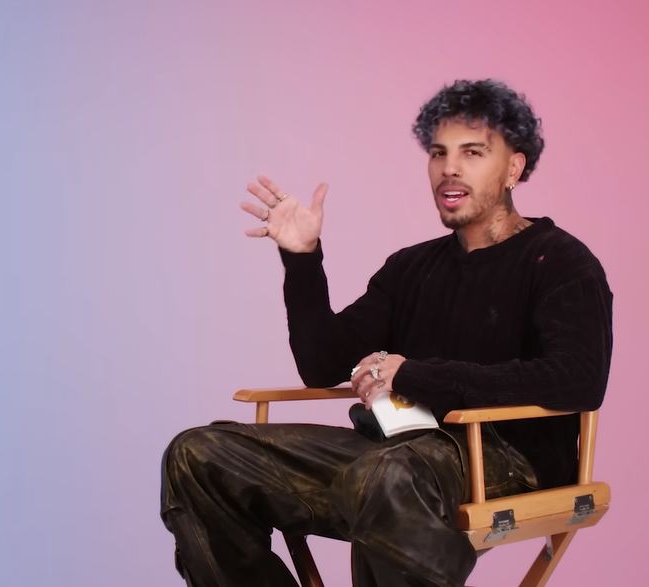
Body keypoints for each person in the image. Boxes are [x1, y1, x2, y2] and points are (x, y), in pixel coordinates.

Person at [160, 79, 613, 586]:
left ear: (514, 168)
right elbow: (322, 364)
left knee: (389, 476)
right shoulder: (411, 268)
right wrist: (302, 258)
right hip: (395, 452)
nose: (449, 168)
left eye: (472, 152)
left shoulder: (561, 262)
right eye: (438, 153)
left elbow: (577, 379)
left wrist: (414, 375)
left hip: (507, 461)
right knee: (198, 455)